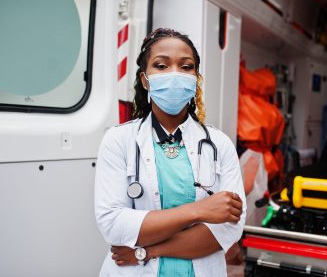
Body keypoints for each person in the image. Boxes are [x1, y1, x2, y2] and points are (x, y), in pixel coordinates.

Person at [94, 28, 246, 277]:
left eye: (186, 67)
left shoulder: (220, 144)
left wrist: (145, 251)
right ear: (145, 80)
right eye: (161, 66)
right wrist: (200, 210)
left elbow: (228, 228)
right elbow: (113, 225)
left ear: (195, 77)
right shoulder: (119, 140)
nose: (175, 73)